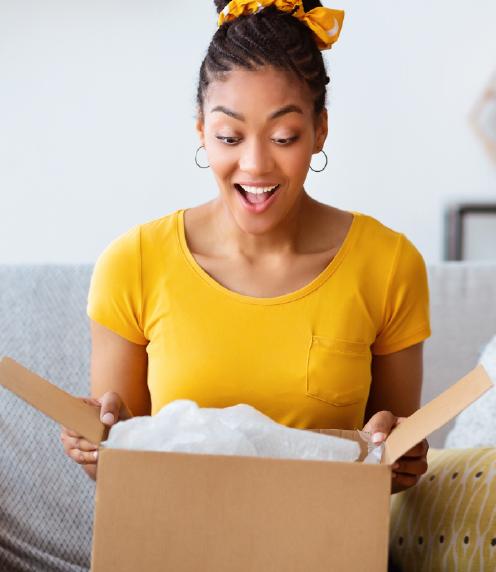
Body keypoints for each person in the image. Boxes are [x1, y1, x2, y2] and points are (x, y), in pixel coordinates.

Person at [60, 0, 430, 494]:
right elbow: (117, 466)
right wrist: (99, 445)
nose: (255, 165)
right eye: (230, 136)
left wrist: (401, 454)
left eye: (284, 136)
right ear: (201, 132)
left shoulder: (388, 264)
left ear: (320, 130)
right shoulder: (134, 263)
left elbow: (392, 451)